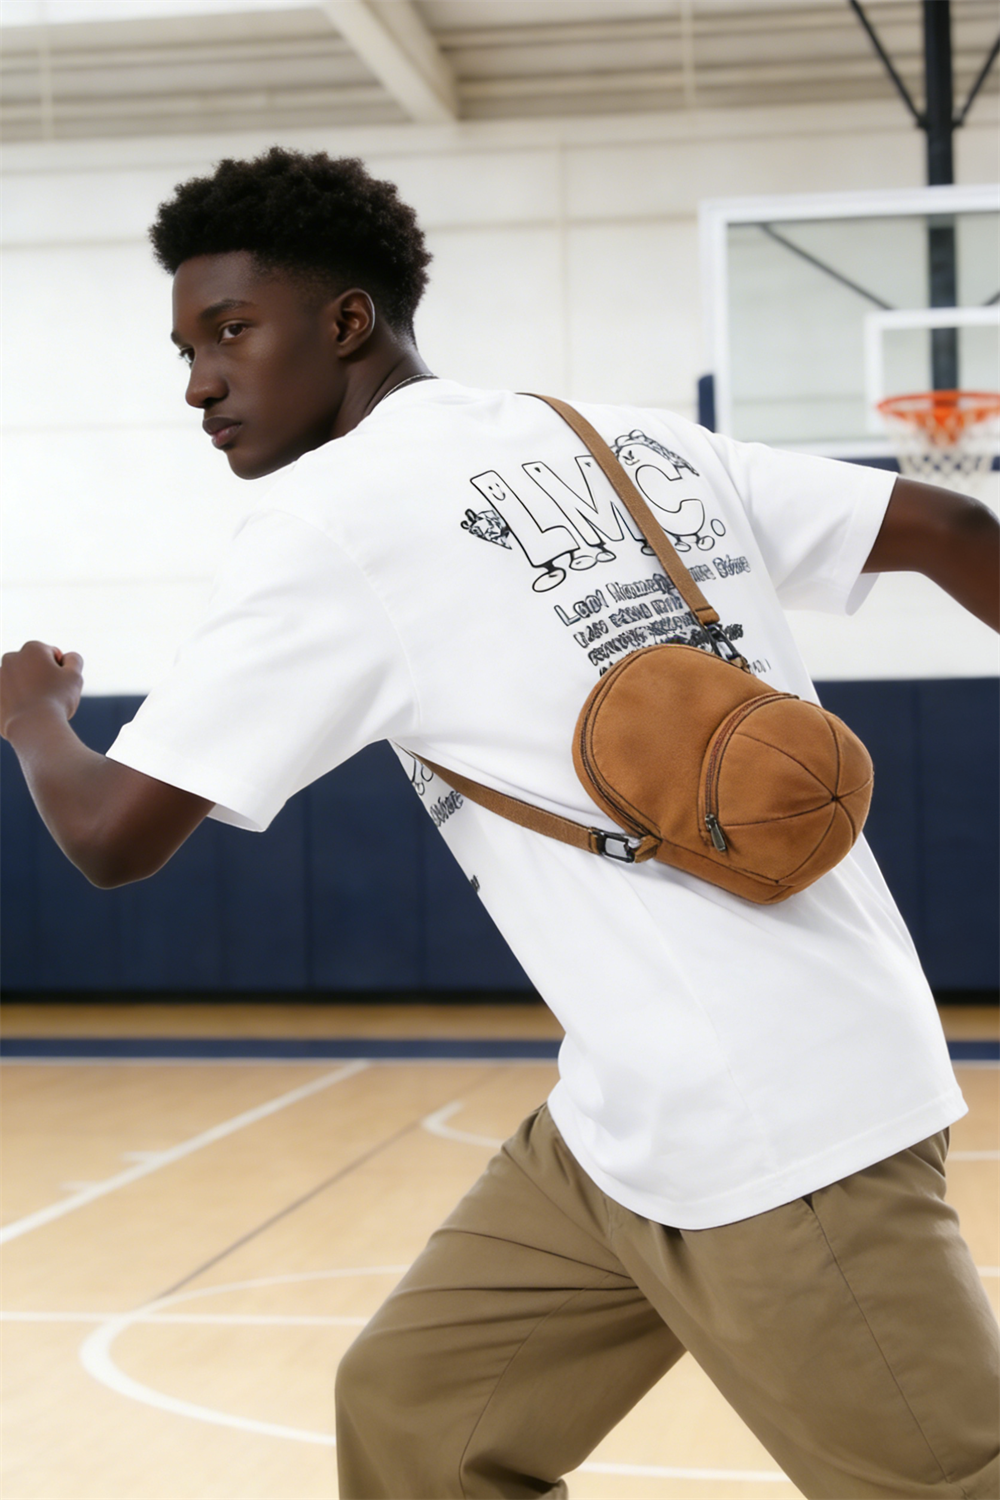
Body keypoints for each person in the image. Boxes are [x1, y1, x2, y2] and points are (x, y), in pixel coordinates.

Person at [1, 148, 997, 1500]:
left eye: (230, 331)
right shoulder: (624, 436)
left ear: (347, 321)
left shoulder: (334, 522)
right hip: (635, 1116)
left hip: (779, 1120)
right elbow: (949, 523)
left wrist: (35, 716)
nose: (198, 383)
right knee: (420, 1421)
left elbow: (114, 834)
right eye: (184, 346)